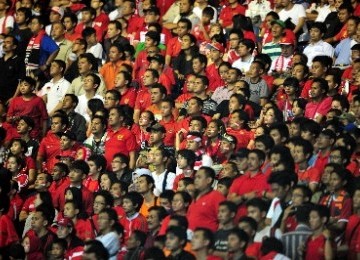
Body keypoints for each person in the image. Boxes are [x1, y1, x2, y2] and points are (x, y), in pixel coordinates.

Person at [187, 166, 225, 232]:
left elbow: (224, 220)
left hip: (208, 239)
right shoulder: (195, 197)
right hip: (191, 239)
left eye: (199, 177)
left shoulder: (217, 197)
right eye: (195, 177)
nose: (195, 180)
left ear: (208, 180)